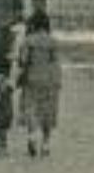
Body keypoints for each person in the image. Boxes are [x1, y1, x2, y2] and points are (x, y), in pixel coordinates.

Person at [17, 12, 62, 157]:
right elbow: (55, 62)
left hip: (32, 79)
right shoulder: (52, 41)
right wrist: (57, 81)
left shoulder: (28, 41)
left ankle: (32, 137)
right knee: (47, 112)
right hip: (49, 81)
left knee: (31, 108)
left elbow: (23, 61)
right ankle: (46, 144)